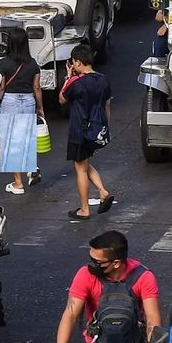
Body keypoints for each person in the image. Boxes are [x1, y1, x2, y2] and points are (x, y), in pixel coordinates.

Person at [60, 45, 114, 218]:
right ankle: (102, 191)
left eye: (73, 62)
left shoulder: (77, 83)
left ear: (78, 62)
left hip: (79, 130)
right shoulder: (103, 79)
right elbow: (107, 105)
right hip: (96, 128)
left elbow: (62, 98)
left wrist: (68, 77)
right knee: (84, 162)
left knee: (80, 168)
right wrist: (105, 127)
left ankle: (84, 209)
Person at [0, 28, 44, 194]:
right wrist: (40, 108)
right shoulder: (33, 64)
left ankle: (18, 183)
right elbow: (37, 87)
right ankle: (31, 168)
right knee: (25, 137)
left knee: (11, 141)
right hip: (29, 100)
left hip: (10, 101)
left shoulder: (4, 63)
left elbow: (1, 88)